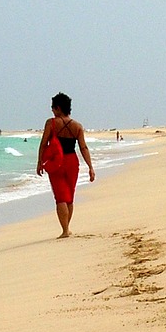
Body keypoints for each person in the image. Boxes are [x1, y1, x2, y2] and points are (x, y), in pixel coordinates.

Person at [35, 92, 95, 238]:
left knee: (60, 197)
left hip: (57, 162)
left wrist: (40, 162)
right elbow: (83, 148)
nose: (52, 110)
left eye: (53, 107)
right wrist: (90, 167)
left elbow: (43, 143)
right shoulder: (77, 126)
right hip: (72, 162)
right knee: (69, 197)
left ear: (59, 108)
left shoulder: (51, 123)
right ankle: (67, 228)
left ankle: (65, 230)